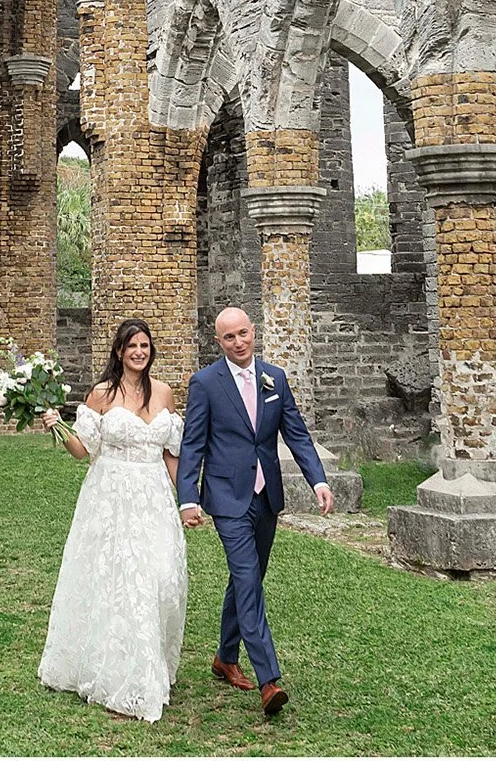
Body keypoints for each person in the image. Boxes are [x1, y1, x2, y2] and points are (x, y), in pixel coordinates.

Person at [176, 306, 331, 718]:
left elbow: (295, 432)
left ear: (253, 332)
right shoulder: (206, 383)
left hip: (267, 498)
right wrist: (187, 497)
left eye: (243, 333)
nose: (238, 342)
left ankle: (225, 656)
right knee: (247, 579)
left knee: (248, 578)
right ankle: (269, 680)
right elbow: (193, 443)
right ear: (218, 341)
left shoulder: (274, 378)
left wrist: (318, 480)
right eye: (229, 337)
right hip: (227, 497)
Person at [36, 319, 189, 722]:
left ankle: (151, 661)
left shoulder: (165, 394)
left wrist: (188, 500)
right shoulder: (102, 394)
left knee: (162, 578)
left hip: (153, 496)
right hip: (110, 495)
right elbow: (83, 450)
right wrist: (57, 426)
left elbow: (172, 453)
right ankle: (124, 677)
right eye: (131, 346)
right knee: (119, 581)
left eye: (145, 345)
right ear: (118, 351)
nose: (139, 351)